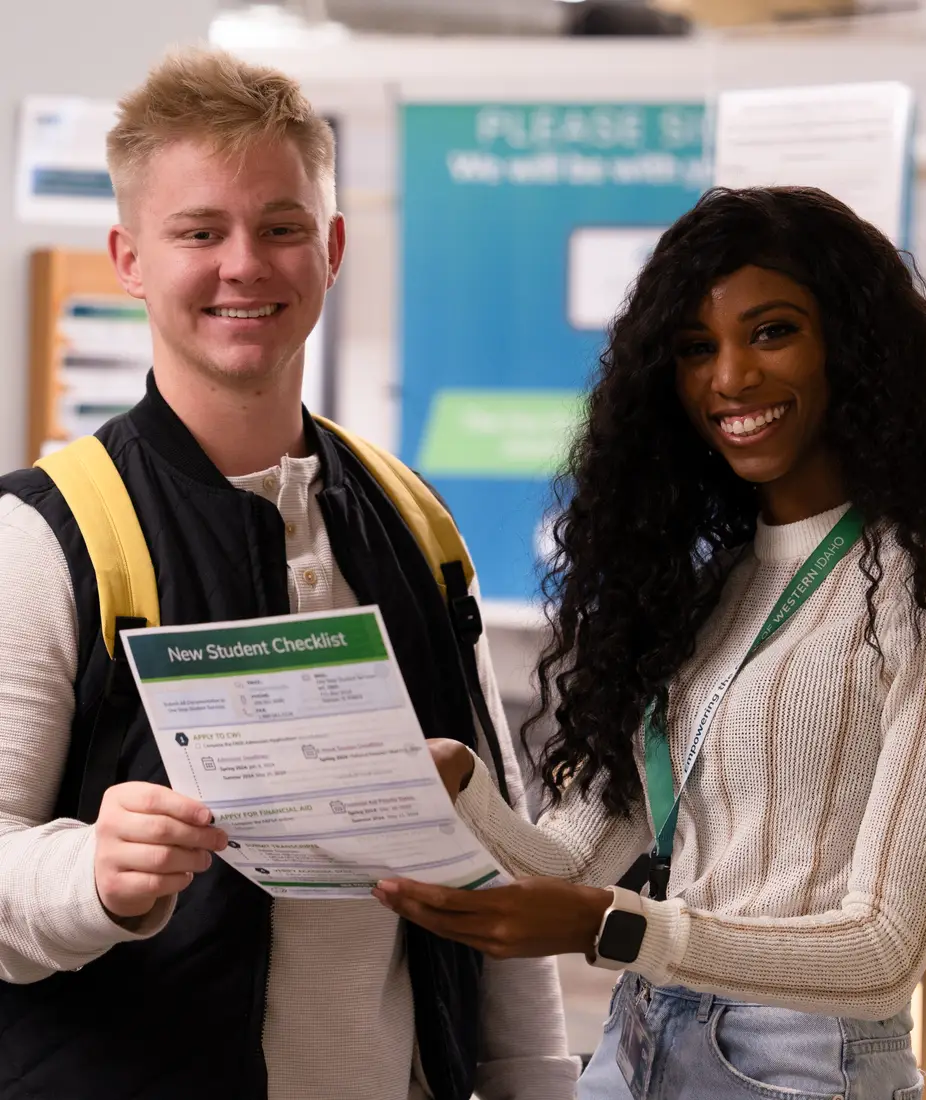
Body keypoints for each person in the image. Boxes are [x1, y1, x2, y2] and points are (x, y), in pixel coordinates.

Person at [373, 186, 926, 1099]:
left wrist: (612, 926)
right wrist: (461, 783)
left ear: (852, 350)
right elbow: (569, 863)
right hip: (641, 1033)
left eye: (771, 332)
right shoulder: (710, 594)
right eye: (697, 349)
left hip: (801, 1062)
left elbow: (884, 952)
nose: (730, 378)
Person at [0, 49, 576, 1100]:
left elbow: (496, 847)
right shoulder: (44, 535)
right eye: (199, 231)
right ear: (129, 256)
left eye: (280, 226)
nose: (244, 265)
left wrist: (537, 1081)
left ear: (332, 246)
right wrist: (92, 876)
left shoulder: (414, 521)